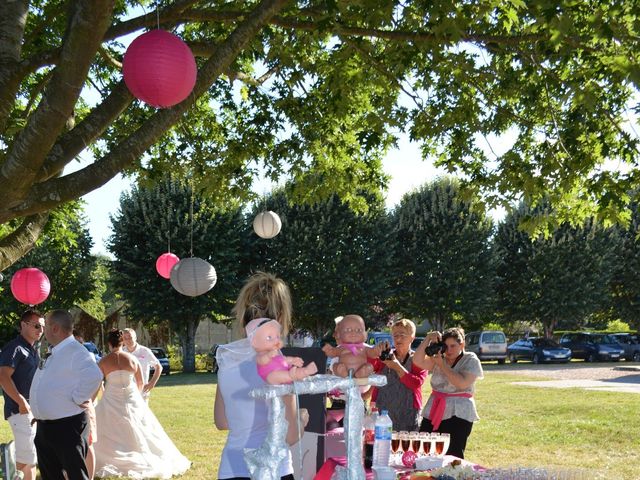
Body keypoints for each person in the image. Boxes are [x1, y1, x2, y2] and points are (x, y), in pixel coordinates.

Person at [214, 271, 309, 480]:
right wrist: (302, 418)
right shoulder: (280, 364)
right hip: (273, 470)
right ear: (282, 318)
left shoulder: (227, 358)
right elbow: (290, 436)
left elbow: (222, 421)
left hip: (231, 468)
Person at [93, 329, 190, 478]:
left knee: (108, 427)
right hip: (131, 397)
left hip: (111, 398)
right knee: (142, 427)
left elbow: (97, 382)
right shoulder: (132, 359)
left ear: (109, 343)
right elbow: (140, 382)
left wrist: (95, 398)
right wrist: (135, 396)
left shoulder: (104, 361)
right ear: (122, 342)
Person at [29, 309, 103, 480]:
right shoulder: (58, 350)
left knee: (75, 473)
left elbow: (95, 375)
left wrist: (78, 398)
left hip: (67, 426)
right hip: (47, 426)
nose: (42, 330)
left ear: (55, 328)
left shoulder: (74, 350)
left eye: (44, 325)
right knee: (50, 474)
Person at [413, 327, 483, 459]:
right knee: (423, 447)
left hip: (459, 413)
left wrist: (442, 365)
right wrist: (428, 338)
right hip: (434, 409)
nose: (449, 350)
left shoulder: (470, 359)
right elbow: (417, 361)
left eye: (453, 346)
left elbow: (461, 383)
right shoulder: (439, 357)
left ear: (462, 344)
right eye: (446, 346)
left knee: (452, 453)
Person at [0, 310, 44, 480]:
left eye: (42, 327)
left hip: (30, 408)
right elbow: (3, 376)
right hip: (20, 409)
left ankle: (11, 469)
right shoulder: (15, 347)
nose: (40, 330)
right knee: (28, 457)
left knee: (29, 457)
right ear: (23, 325)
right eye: (37, 325)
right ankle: (7, 469)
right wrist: (21, 402)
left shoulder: (32, 349)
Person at [370, 319, 427, 431]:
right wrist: (374, 352)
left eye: (402, 335)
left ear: (412, 337)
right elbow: (370, 369)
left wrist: (396, 366)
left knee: (407, 445)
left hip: (408, 411)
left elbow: (416, 383)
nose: (398, 338)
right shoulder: (385, 355)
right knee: (383, 444)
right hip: (384, 410)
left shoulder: (418, 359)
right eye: (395, 335)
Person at [248, 318, 318, 384]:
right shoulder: (260, 355)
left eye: (277, 337)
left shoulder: (276, 353)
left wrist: (292, 360)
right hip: (270, 375)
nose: (276, 340)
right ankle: (293, 376)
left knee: (294, 371)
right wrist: (268, 356)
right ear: (255, 342)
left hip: (285, 371)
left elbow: (284, 359)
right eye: (269, 337)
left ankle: (305, 371)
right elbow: (262, 361)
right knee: (274, 376)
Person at [122, 328, 162, 402]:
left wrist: (152, 383)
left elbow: (158, 367)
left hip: (142, 391)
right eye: (125, 338)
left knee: (142, 413)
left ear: (135, 338)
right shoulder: (121, 352)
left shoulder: (145, 351)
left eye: (130, 337)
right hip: (126, 392)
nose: (128, 340)